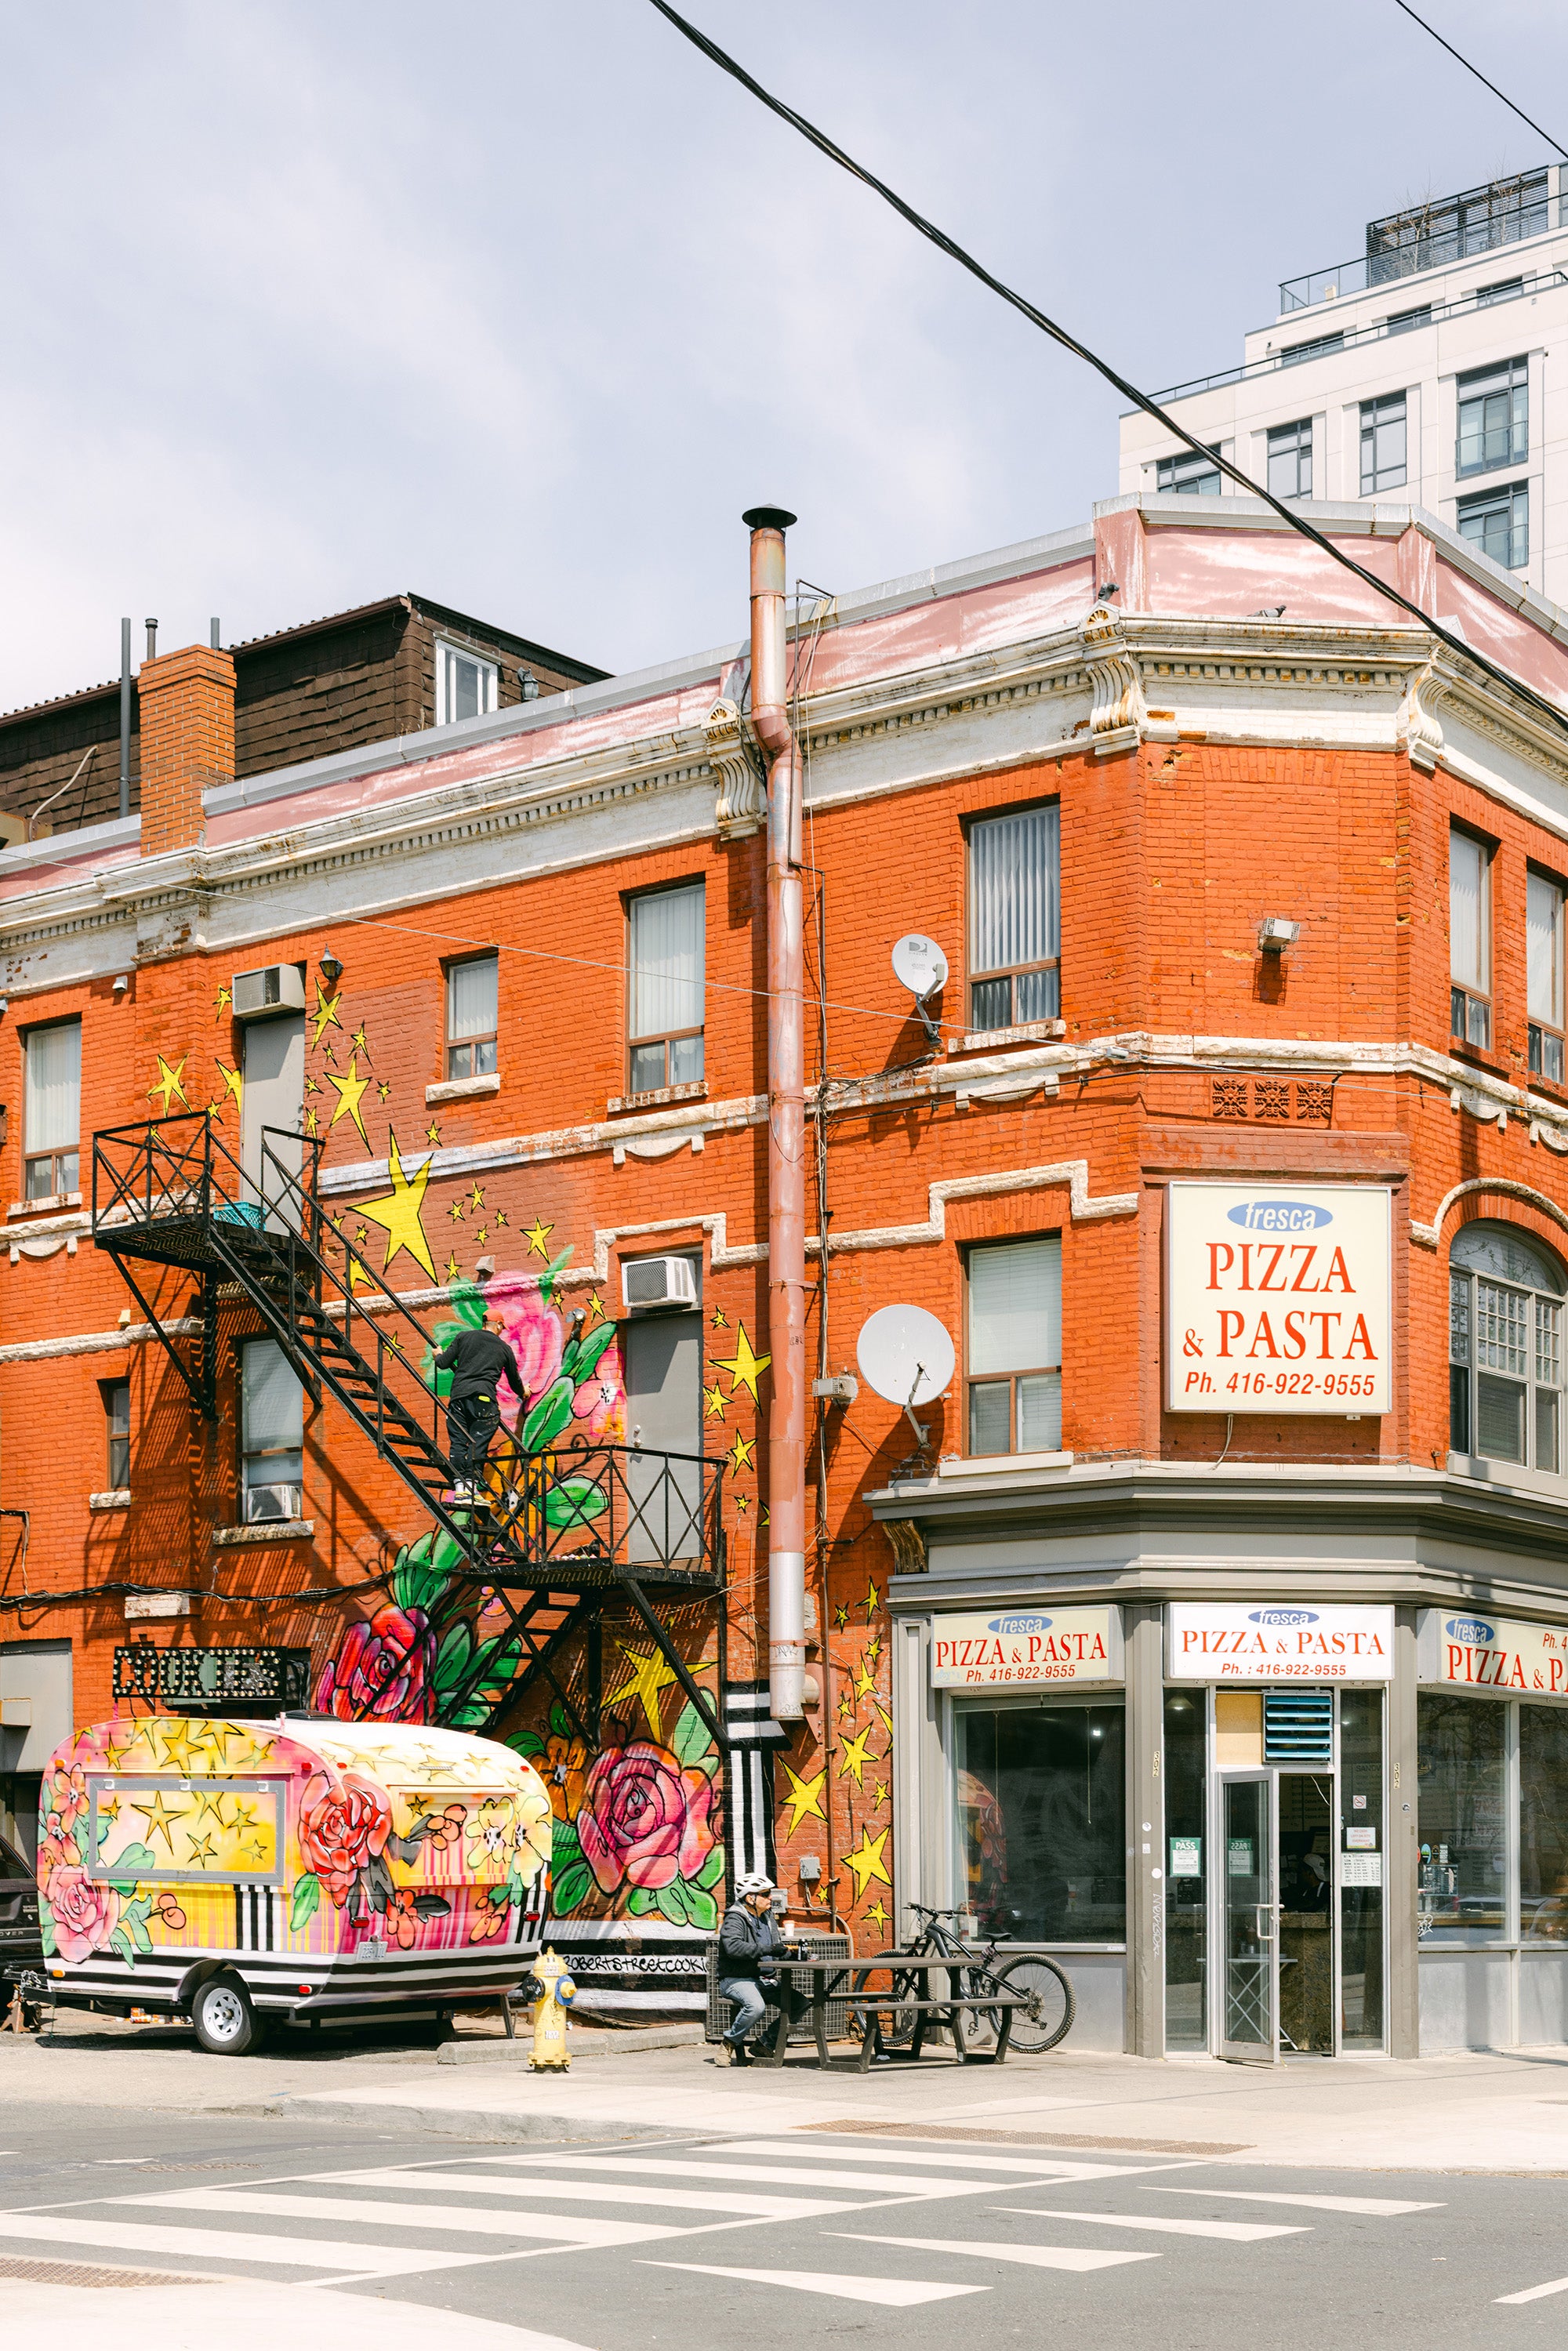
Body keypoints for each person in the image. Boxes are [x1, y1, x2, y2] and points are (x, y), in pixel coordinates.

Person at [436, 1306, 526, 1500]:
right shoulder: (504, 1348)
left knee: (459, 1442)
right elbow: (514, 1382)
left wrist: (437, 1354)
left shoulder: (463, 1337)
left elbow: (443, 1363)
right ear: (499, 1325)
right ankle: (472, 1487)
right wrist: (524, 1391)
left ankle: (461, 1489)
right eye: (502, 1327)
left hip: (459, 1398)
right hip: (483, 1399)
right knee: (477, 1443)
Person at [716, 1872, 786, 2065]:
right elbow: (733, 1948)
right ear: (750, 1898)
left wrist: (796, 1955)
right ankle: (728, 2044)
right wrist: (769, 1949)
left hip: (763, 1979)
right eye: (765, 1894)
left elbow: (775, 1950)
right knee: (756, 2007)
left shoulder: (767, 1917)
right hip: (736, 1979)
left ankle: (764, 2044)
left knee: (799, 2004)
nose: (771, 1897)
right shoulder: (735, 1918)